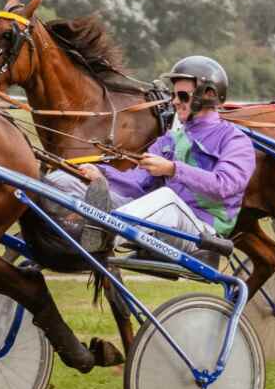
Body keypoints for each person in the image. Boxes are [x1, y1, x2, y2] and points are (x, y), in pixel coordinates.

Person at [45, 56, 256, 263]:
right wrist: (102, 175)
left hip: (202, 234)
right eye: (173, 95)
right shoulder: (170, 140)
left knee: (166, 198)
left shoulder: (235, 140)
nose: (174, 101)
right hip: (159, 221)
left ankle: (100, 232)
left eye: (182, 96)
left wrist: (173, 169)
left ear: (209, 95)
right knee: (63, 179)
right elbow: (137, 184)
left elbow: (225, 185)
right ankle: (49, 237)